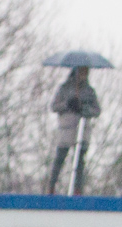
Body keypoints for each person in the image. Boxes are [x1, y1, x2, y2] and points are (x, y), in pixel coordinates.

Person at [47, 66, 100, 195]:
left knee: (80, 162)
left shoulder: (89, 91)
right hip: (66, 129)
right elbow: (54, 106)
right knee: (60, 158)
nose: (84, 75)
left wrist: (84, 109)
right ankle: (52, 187)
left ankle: (77, 189)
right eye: (82, 72)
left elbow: (96, 110)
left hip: (82, 130)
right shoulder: (64, 88)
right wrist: (68, 104)